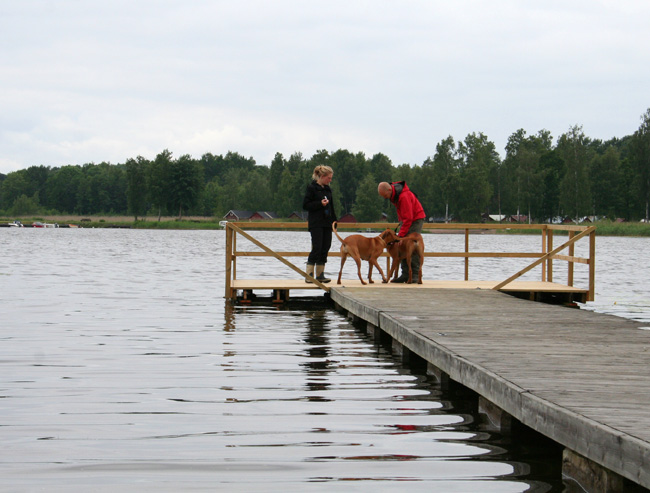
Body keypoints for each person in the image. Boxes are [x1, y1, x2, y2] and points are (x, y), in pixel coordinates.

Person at [378, 181, 426, 283]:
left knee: (412, 245)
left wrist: (400, 236)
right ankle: (405, 274)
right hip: (406, 220)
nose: (385, 198)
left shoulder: (403, 196)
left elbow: (408, 218)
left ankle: (415, 275)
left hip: (415, 219)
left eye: (385, 195)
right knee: (402, 246)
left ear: (389, 190)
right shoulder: (395, 195)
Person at [303, 165, 337, 283]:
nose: (330, 180)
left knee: (325, 247)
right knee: (316, 247)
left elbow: (331, 206)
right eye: (329, 178)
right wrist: (319, 204)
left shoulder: (328, 189)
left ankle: (320, 274)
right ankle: (309, 275)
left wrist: (334, 220)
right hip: (316, 223)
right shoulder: (312, 188)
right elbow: (306, 205)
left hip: (327, 222)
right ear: (322, 176)